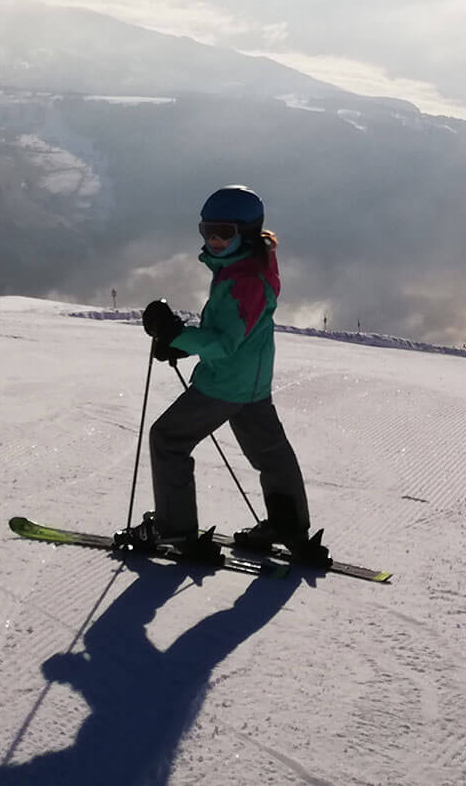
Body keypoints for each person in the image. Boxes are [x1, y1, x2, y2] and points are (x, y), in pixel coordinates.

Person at [122, 186, 328, 570]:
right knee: (270, 453)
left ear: (247, 232)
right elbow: (235, 330)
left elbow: (224, 342)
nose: (214, 240)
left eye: (224, 232)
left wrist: (175, 334)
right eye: (206, 231)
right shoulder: (252, 262)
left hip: (225, 382)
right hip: (252, 380)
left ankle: (176, 530)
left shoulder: (242, 280)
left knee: (167, 439)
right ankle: (289, 529)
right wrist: (182, 343)